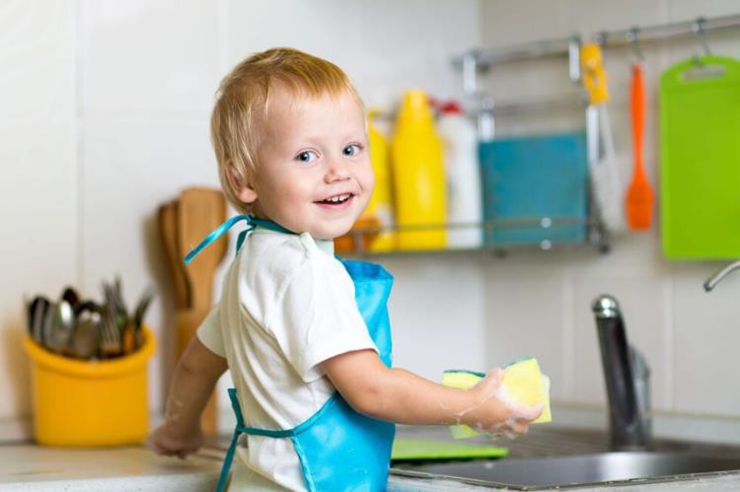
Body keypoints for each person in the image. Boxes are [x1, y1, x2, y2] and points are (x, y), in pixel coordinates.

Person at [150, 47, 542, 492]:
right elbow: (372, 390)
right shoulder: (305, 270)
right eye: (306, 156)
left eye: (351, 148)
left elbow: (196, 364)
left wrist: (178, 429)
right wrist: (474, 407)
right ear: (244, 181)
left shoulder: (251, 261)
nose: (338, 171)